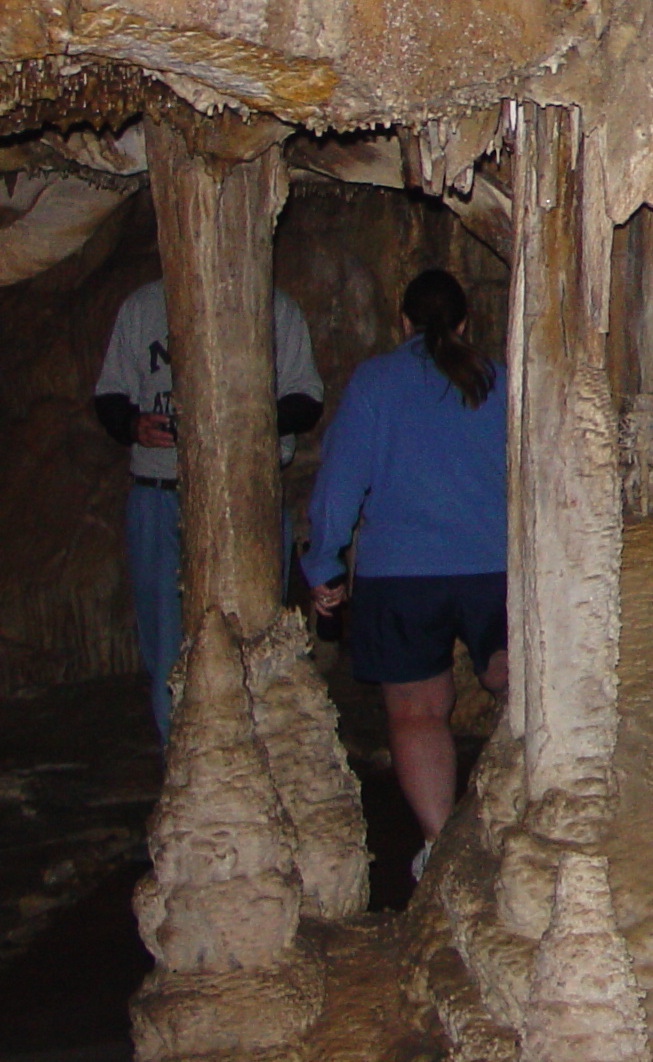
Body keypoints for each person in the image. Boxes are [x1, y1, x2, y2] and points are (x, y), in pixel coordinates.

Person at [303, 271, 508, 877]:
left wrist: (325, 562)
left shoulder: (376, 382)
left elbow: (340, 482)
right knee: (511, 680)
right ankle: (525, 824)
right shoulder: (496, 379)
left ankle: (438, 846)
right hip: (492, 567)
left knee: (417, 711)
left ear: (403, 322)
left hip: (402, 575)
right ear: (465, 321)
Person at [93, 280, 323, 738]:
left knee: (254, 637)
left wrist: (244, 421)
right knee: (167, 648)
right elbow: (110, 393)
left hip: (246, 492)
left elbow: (306, 397)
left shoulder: (275, 307)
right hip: (162, 489)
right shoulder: (142, 307)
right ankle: (189, 773)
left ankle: (251, 762)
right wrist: (132, 424)